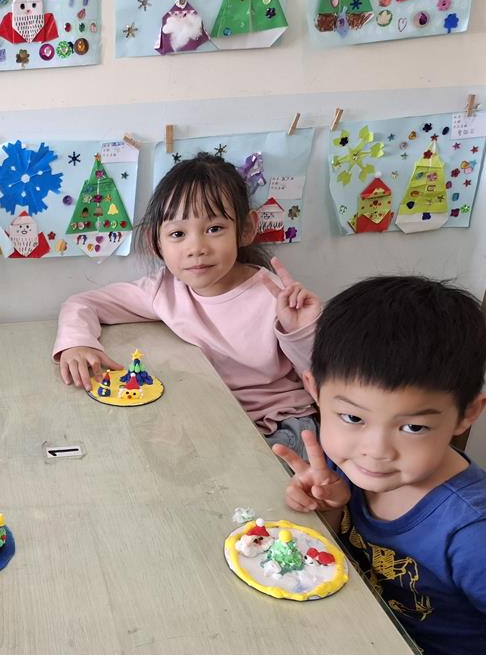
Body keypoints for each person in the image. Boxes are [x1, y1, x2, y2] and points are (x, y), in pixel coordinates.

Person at [273, 276, 486, 655]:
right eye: (352, 418)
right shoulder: (352, 473)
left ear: (468, 413)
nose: (376, 450)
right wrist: (330, 509)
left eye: (412, 427)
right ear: (314, 389)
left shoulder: (482, 538)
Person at [53, 152, 321, 458]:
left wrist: (301, 332)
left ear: (245, 229)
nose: (197, 248)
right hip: (213, 419)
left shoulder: (276, 296)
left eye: (214, 229)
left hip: (281, 421)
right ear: (157, 242)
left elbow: (322, 376)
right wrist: (77, 343)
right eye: (178, 234)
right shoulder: (164, 290)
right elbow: (84, 303)